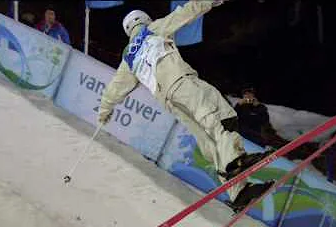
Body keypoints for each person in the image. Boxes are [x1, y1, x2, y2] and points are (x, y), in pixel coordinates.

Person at [97, 0, 273, 212]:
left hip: (171, 101)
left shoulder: (129, 58)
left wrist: (104, 112)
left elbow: (114, 89)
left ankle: (238, 192)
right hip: (182, 82)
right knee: (219, 118)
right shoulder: (153, 30)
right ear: (144, 20)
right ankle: (234, 163)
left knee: (209, 139)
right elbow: (187, 11)